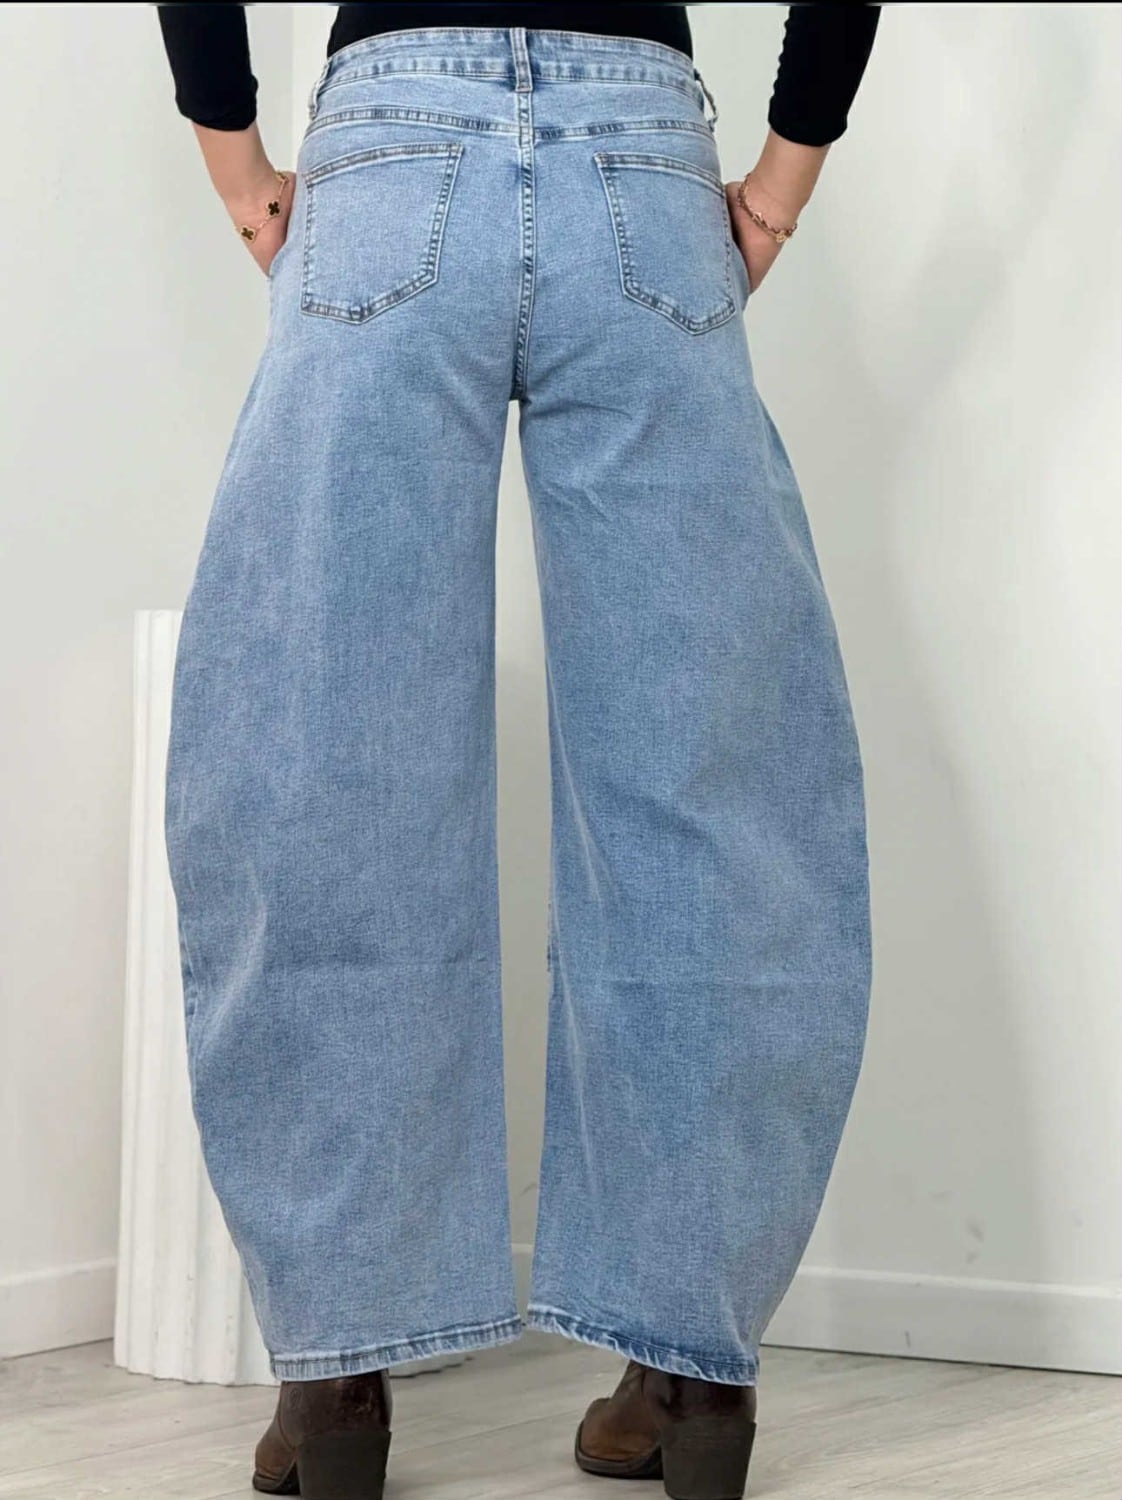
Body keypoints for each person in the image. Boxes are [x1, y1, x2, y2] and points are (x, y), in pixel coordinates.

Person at [157, 6, 879, 1498]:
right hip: (643, 178)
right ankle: (690, 1370)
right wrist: (777, 185)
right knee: (703, 787)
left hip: (390, 158)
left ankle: (340, 1374)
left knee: (326, 768)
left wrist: (238, 169)